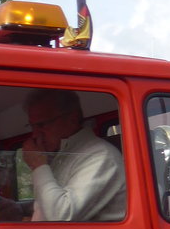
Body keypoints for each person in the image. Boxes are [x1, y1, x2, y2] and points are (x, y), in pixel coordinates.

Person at [22, 89, 126, 222]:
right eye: (32, 126)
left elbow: (61, 216)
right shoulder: (63, 155)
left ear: (72, 119)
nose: (35, 135)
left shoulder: (100, 155)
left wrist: (38, 166)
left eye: (41, 125)